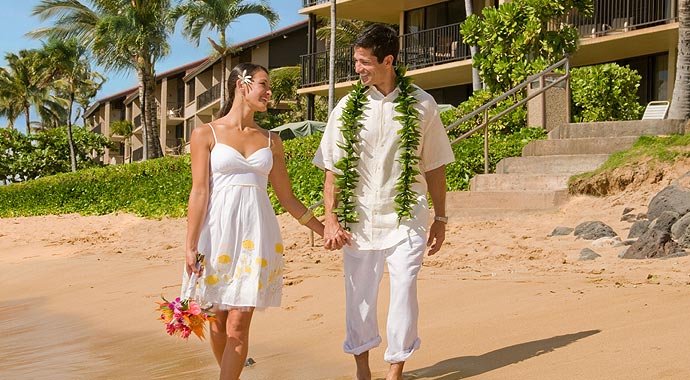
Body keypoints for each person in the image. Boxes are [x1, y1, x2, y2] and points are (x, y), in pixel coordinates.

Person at [313, 24, 455, 380]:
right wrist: (331, 219)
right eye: (355, 61)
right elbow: (332, 171)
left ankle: (395, 370)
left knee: (404, 288)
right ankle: (363, 369)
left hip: (406, 216)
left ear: (388, 60)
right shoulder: (346, 108)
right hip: (358, 219)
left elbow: (435, 166)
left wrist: (441, 219)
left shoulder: (423, 105)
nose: (357, 69)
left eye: (364, 62)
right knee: (359, 297)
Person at [184, 62, 324, 380]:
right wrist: (190, 245)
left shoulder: (272, 140)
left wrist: (323, 227)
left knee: (237, 325)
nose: (269, 91)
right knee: (217, 323)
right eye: (264, 83)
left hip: (256, 236)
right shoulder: (205, 133)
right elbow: (199, 192)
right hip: (216, 236)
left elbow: (286, 198)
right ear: (242, 85)